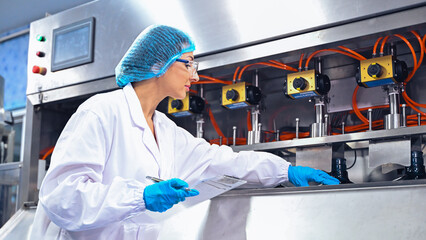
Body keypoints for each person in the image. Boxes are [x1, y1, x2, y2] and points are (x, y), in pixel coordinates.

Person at [30, 25, 339, 239]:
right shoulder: (100, 112)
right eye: (189, 63)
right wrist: (141, 196)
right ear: (157, 65)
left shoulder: (165, 129)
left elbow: (220, 161)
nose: (196, 74)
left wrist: (287, 171)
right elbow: (63, 196)